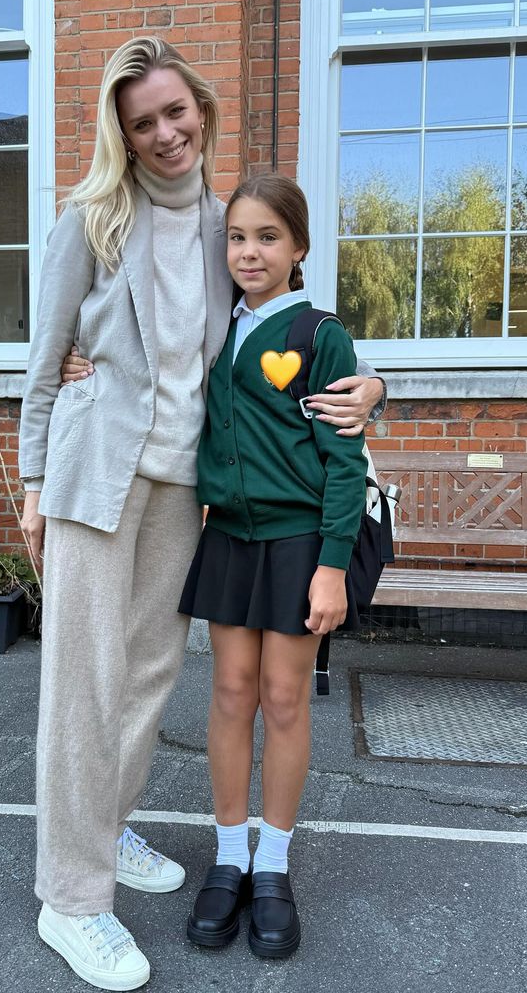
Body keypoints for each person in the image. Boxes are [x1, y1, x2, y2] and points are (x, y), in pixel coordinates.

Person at [20, 36, 384, 992]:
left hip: (192, 491)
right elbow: (44, 358)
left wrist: (372, 383)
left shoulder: (233, 230)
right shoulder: (93, 219)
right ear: (123, 135)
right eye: (143, 123)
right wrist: (29, 486)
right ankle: (73, 896)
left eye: (175, 112)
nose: (164, 133)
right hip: (98, 478)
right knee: (84, 683)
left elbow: (296, 334)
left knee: (144, 680)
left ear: (203, 112)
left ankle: (102, 825)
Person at [178, 173, 368, 960]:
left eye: (267, 237)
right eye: (236, 237)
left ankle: (275, 867)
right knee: (229, 693)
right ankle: (228, 856)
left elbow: (346, 461)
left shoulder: (321, 334)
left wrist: (332, 567)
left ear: (299, 248)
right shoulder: (214, 326)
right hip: (227, 538)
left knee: (286, 700)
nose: (248, 252)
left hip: (297, 545)